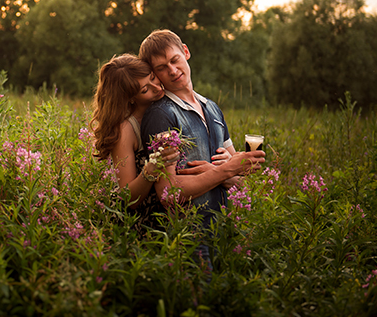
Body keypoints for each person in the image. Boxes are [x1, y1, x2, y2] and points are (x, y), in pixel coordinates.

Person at [139, 29, 265, 230]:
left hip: (223, 231)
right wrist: (226, 170)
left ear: (186, 52)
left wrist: (223, 171)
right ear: (154, 74)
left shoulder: (213, 108)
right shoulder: (161, 114)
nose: (172, 70)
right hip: (187, 238)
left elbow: (242, 183)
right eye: (162, 68)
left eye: (175, 60)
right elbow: (168, 193)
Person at [90, 54, 180, 221]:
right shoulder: (125, 129)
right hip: (143, 223)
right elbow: (128, 198)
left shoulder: (165, 108)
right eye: (145, 90)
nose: (157, 88)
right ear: (130, 98)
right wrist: (152, 168)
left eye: (153, 78)